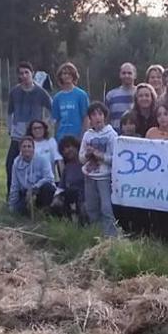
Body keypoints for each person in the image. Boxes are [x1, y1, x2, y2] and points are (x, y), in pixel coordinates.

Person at [6, 61, 52, 193]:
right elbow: (9, 112)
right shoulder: (14, 92)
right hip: (17, 136)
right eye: (21, 73)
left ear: (32, 73)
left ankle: (33, 196)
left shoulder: (40, 92)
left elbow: (52, 109)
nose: (24, 75)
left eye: (27, 72)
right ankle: (11, 196)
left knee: (33, 167)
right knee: (10, 165)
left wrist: (45, 124)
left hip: (33, 136)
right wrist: (10, 128)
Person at [79, 102, 119, 237]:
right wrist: (87, 154)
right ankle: (95, 235)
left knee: (106, 208)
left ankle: (111, 237)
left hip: (105, 177)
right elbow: (81, 158)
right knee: (91, 207)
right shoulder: (87, 135)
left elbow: (115, 159)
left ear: (105, 116)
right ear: (90, 118)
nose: (97, 117)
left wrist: (99, 155)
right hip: (89, 176)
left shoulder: (111, 134)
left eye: (100, 114)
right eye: (94, 114)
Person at [145, 104, 168, 241]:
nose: (163, 118)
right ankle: (155, 233)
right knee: (154, 204)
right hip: (154, 176)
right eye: (159, 115)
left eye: (165, 114)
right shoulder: (150, 132)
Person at [8, 136, 56, 215]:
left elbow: (49, 178)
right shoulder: (16, 163)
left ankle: (45, 211)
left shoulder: (42, 159)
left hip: (41, 191)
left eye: (29, 146)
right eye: (24, 146)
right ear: (20, 149)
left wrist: (34, 188)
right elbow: (15, 185)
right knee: (18, 210)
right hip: (26, 193)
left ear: (33, 148)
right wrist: (11, 204)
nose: (26, 149)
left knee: (48, 187)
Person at [51, 62, 90, 140]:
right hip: (61, 137)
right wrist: (55, 137)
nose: (67, 76)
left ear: (74, 76)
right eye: (64, 73)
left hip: (77, 136)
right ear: (60, 76)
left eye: (70, 73)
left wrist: (83, 136)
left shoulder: (81, 95)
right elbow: (56, 121)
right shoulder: (57, 98)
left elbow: (86, 118)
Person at [51, 135, 86, 221]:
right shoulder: (67, 167)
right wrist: (56, 198)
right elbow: (60, 188)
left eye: (68, 147)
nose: (66, 151)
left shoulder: (86, 163)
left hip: (86, 197)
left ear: (76, 146)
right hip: (70, 198)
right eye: (63, 150)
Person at [105, 62, 137, 131]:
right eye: (124, 73)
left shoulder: (140, 94)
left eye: (129, 73)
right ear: (120, 75)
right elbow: (106, 119)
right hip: (116, 136)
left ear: (135, 75)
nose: (126, 75)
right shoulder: (111, 95)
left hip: (136, 137)